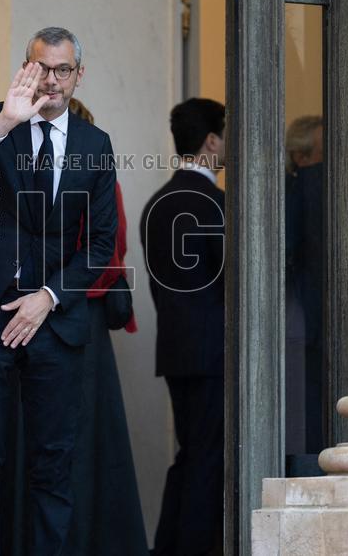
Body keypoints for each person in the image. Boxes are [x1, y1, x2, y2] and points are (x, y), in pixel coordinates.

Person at [0, 27, 118, 556]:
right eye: (42, 68)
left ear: (79, 76)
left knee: (53, 460)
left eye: (63, 70)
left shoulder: (95, 144)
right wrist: (6, 121)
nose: (52, 80)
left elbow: (101, 242)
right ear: (25, 69)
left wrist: (50, 297)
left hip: (52, 317)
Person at [1, 97, 148, 556]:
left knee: (64, 446)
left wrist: (53, 290)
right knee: (63, 446)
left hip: (68, 316)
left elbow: (106, 249)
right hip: (54, 316)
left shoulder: (87, 171)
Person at [140, 98, 226, 556]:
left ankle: (166, 548)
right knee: (207, 461)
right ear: (211, 140)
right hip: (214, 353)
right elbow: (231, 280)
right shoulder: (216, 203)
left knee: (190, 456)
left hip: (174, 349)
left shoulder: (156, 203)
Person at [285, 115, 325, 471]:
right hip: (305, 324)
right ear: (301, 156)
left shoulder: (300, 188)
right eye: (326, 153)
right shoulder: (306, 188)